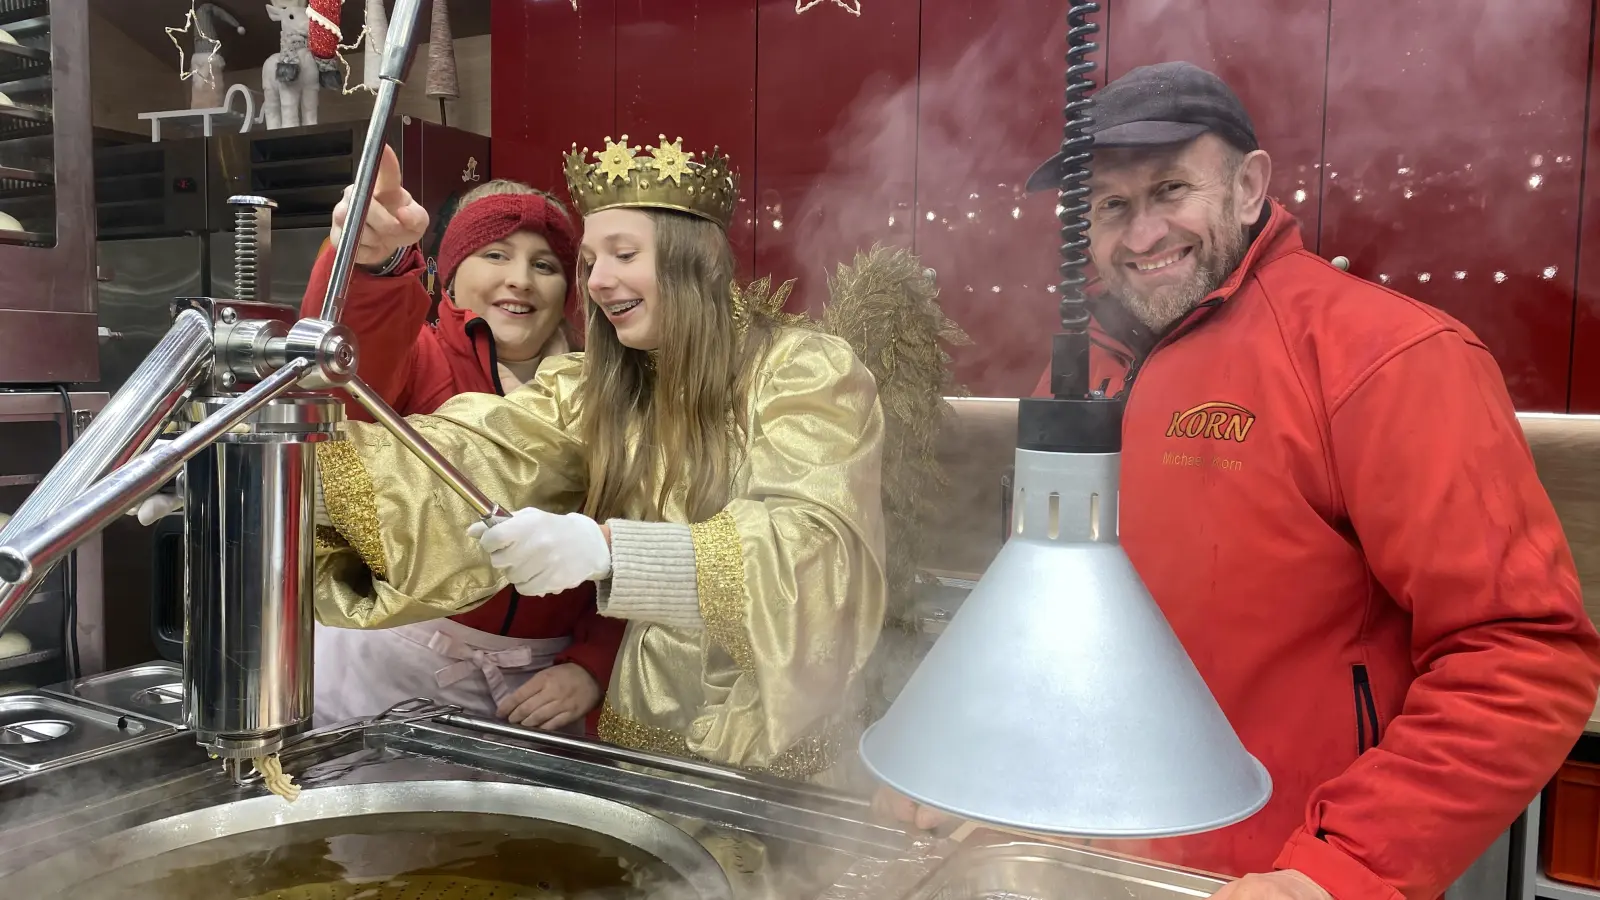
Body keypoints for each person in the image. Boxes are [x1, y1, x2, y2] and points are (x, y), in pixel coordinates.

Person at [878, 61, 1600, 900]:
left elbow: (1521, 652)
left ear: (1250, 186)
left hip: (1274, 873)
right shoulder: (1078, 383)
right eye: (1111, 205)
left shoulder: (1382, 358)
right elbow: (1050, 639)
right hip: (1096, 869)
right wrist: (982, 772)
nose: (1141, 233)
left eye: (1171, 189)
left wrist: (1334, 870)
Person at [310, 136, 931, 789]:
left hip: (779, 746)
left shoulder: (804, 371)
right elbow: (475, 455)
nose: (598, 281)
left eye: (623, 255)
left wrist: (611, 552)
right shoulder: (593, 384)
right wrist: (292, 473)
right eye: (589, 260)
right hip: (645, 741)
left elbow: (813, 552)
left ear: (696, 263)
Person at [298, 147, 624, 734]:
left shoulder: (601, 393)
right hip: (389, 669)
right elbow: (342, 378)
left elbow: (639, 531)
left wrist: (593, 664)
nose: (519, 279)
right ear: (450, 273)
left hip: (541, 688)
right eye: (495, 254)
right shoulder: (416, 356)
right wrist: (372, 264)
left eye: (545, 265)